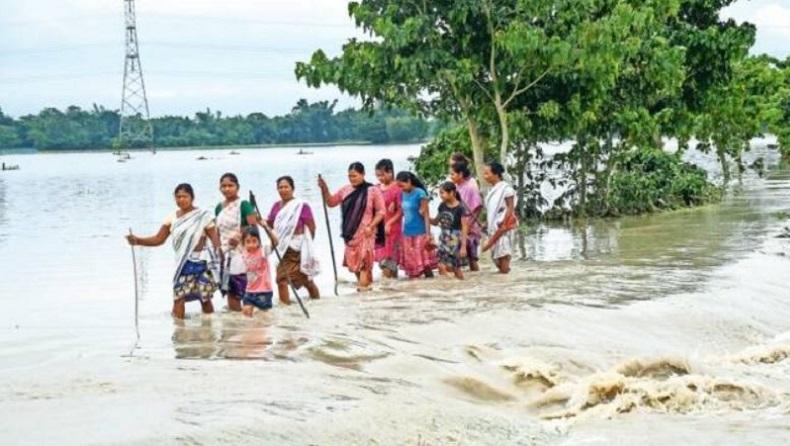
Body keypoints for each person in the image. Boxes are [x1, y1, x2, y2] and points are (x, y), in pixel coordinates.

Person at [126, 183, 223, 319]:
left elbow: (215, 240)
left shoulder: (203, 216)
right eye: (178, 197)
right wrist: (137, 241)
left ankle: (209, 328)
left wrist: (220, 259)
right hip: (183, 265)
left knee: (204, 298)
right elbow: (159, 239)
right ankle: (179, 331)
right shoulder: (172, 218)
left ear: (192, 197)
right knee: (179, 297)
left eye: (185, 196)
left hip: (202, 264)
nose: (181, 200)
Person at [318, 162, 386, 292]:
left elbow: (381, 212)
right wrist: (325, 189)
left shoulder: (372, 190)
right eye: (349, 176)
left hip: (366, 233)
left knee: (364, 265)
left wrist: (371, 226)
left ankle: (362, 294)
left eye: (354, 176)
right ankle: (368, 291)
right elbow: (331, 203)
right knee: (356, 269)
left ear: (363, 174)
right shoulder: (345, 190)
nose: (351, 179)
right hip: (350, 234)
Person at [266, 175, 321, 304]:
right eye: (280, 187)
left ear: (292, 188)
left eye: (286, 187)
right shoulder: (276, 206)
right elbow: (271, 223)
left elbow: (312, 227)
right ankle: (286, 307)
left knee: (306, 280)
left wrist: (307, 247)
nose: (283, 190)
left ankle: (317, 303)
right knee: (281, 280)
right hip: (282, 248)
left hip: (298, 248)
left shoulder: (302, 206)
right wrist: (260, 221)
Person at [214, 173, 257, 312]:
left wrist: (239, 236)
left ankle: (248, 325)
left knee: (243, 285)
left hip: (242, 251)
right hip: (225, 252)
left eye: (230, 185)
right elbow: (217, 230)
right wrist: (218, 249)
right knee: (230, 287)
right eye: (223, 186)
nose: (227, 189)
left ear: (237, 187)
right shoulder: (219, 207)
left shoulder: (244, 204)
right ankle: (236, 321)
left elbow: (253, 226)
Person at [395, 171, 436, 279]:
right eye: (399, 186)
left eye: (402, 185)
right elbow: (403, 212)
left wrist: (428, 235)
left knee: (425, 265)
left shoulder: (420, 193)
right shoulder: (402, 194)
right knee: (411, 266)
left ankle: (432, 287)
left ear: (409, 181)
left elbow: (426, 215)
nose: (401, 188)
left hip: (420, 232)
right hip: (407, 233)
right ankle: (414, 292)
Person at [482, 161, 518, 274]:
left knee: (504, 266)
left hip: (503, 230)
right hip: (493, 229)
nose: (485, 176)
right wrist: (487, 224)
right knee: (498, 264)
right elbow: (493, 211)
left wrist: (503, 224)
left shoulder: (506, 189)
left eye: (487, 174)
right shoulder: (491, 190)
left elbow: (510, 208)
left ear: (496, 174)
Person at [431, 182, 469, 280]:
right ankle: (454, 284)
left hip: (454, 237)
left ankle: (458, 283)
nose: (440, 195)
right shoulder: (442, 206)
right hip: (443, 237)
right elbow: (436, 222)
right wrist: (424, 216)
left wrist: (463, 247)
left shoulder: (460, 208)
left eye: (442, 193)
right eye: (440, 193)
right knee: (441, 265)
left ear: (451, 193)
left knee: (455, 266)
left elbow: (464, 227)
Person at [450, 162, 483, 271]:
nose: (451, 177)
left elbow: (478, 207)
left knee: (472, 258)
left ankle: (475, 279)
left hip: (470, 228)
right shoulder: (454, 189)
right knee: (453, 254)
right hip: (457, 227)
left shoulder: (470, 187)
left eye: (453, 174)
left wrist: (469, 225)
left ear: (460, 174)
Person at [374, 159, 403, 279]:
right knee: (385, 264)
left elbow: (401, 211)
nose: (380, 178)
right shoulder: (376, 188)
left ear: (390, 172)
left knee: (388, 262)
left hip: (393, 231)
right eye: (377, 175)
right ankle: (393, 294)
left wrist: (390, 222)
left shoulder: (398, 188)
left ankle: (385, 291)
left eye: (382, 175)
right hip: (379, 231)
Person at [240, 226, 277, 317]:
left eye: (254, 241)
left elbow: (275, 243)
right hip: (249, 291)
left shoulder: (263, 251)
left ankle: (262, 330)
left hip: (264, 291)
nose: (251, 244)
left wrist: (266, 228)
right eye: (248, 241)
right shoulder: (243, 252)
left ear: (259, 241)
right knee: (246, 315)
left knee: (263, 317)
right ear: (243, 243)